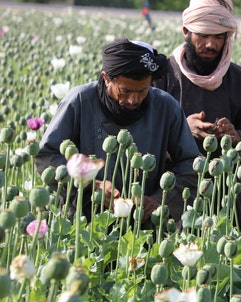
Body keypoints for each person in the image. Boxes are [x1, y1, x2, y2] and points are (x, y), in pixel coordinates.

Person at [36, 38, 201, 225]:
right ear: (106, 78)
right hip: (83, 221)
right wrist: (90, 185)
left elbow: (191, 164)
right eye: (125, 91)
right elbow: (47, 156)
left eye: (142, 91)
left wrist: (160, 199)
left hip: (143, 225)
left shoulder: (166, 107)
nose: (133, 100)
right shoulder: (80, 101)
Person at [153, 0, 241, 159]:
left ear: (227, 37)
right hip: (171, 181)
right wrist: (181, 129)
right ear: (186, 31)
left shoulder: (240, 81)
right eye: (203, 35)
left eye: (218, 37)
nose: (211, 44)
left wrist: (237, 137)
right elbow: (142, 135)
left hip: (224, 182)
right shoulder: (162, 74)